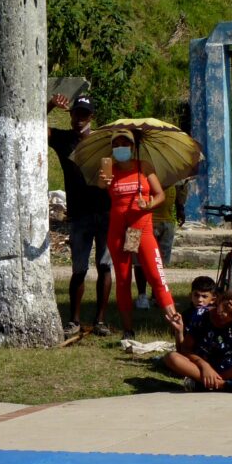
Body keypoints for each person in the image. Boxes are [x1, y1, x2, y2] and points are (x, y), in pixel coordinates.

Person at [99, 128, 176, 339]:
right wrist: (103, 181)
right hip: (118, 231)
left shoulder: (144, 167)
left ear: (133, 147)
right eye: (116, 144)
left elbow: (160, 195)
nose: (120, 147)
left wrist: (148, 203)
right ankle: (128, 330)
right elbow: (100, 186)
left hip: (140, 229)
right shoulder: (108, 167)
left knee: (155, 276)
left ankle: (177, 326)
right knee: (123, 279)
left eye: (125, 143)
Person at [48, 93, 113, 337]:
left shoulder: (103, 141)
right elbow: (34, 127)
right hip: (78, 213)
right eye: (76, 113)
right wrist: (52, 104)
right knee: (79, 269)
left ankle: (100, 320)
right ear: (71, 114)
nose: (79, 119)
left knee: (104, 266)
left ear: (91, 117)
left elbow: (111, 175)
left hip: (104, 211)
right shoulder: (64, 139)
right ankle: (74, 320)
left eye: (84, 115)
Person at [162, 289, 232, 393]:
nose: (225, 314)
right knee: (171, 357)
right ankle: (227, 385)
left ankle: (206, 384)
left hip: (231, 369)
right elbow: (185, 348)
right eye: (224, 308)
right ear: (219, 301)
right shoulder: (202, 315)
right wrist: (204, 365)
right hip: (203, 368)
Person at [132, 182, 187, 308]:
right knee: (139, 261)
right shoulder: (140, 174)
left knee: (159, 262)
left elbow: (180, 188)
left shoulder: (170, 173)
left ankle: (157, 296)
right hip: (138, 223)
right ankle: (142, 296)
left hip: (165, 223)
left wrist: (180, 209)